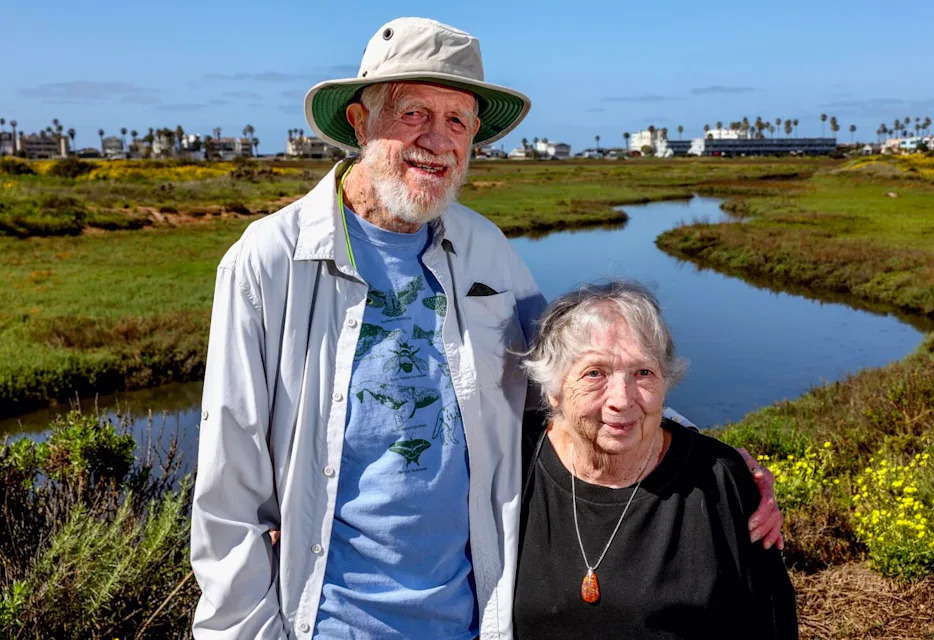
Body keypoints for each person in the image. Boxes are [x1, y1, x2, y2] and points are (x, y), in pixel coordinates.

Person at [190, 17, 783, 639]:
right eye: (414, 113)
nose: (438, 141)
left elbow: (565, 374)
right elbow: (228, 492)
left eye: (457, 122)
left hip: (472, 621)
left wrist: (708, 457)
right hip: (324, 623)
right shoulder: (269, 260)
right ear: (360, 123)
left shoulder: (483, 249)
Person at [514, 281, 798, 639]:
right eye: (594, 373)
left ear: (667, 380)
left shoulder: (719, 482)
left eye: (643, 372)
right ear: (553, 389)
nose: (622, 399)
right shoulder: (513, 463)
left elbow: (770, 625)